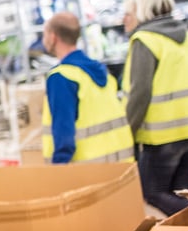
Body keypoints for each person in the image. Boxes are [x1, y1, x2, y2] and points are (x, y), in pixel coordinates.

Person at [122, 0, 188, 216]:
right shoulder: (187, 37)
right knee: (179, 191)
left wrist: (127, 134)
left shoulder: (145, 40)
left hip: (164, 135)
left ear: (141, 8)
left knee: (152, 192)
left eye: (129, 11)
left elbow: (139, 93)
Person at [40, 11, 134, 164]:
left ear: (53, 36)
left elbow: (64, 134)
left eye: (44, 34)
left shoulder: (61, 77)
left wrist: (57, 171)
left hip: (89, 168)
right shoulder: (101, 71)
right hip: (120, 162)